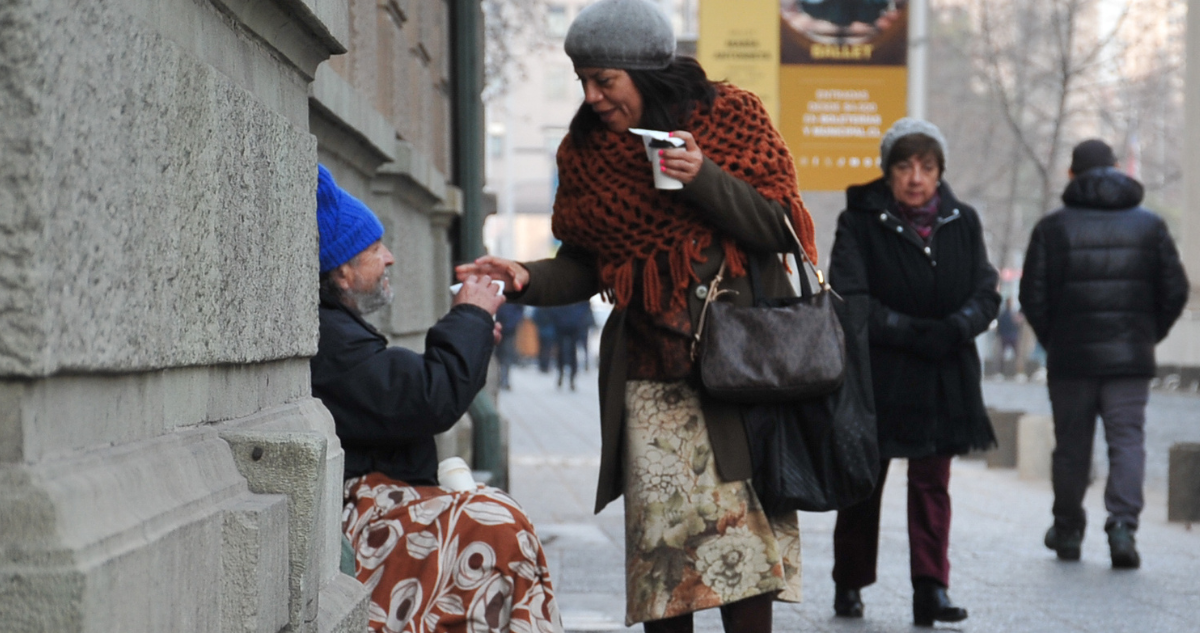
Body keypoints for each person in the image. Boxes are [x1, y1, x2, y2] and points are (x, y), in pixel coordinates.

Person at [455, 1, 817, 630]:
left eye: (605, 81)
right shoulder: (586, 155)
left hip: (739, 371)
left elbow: (779, 228)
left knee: (744, 559)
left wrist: (703, 176)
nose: (592, 96)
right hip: (651, 380)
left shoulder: (732, 118)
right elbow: (585, 265)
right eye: (583, 81)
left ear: (645, 73)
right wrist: (524, 276)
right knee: (664, 569)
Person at [309, 165, 562, 633]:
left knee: (501, 525)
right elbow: (427, 398)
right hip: (358, 515)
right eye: (374, 249)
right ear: (342, 272)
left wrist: (475, 330)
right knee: (498, 527)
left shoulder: (336, 328)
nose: (389, 258)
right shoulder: (332, 337)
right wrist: (469, 318)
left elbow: (416, 389)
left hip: (375, 498)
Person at [826, 118, 999, 626]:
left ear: (940, 171)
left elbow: (986, 291)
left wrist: (957, 327)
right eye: (904, 166)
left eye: (926, 166)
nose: (916, 177)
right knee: (864, 484)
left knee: (932, 485)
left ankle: (931, 588)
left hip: (945, 373)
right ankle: (850, 582)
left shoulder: (962, 220)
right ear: (889, 173)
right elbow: (850, 298)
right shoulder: (859, 219)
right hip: (879, 374)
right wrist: (908, 331)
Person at [1019, 139, 1188, 569]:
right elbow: (1175, 291)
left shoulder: (1052, 228)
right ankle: (1122, 527)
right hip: (1129, 360)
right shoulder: (1149, 226)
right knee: (1127, 441)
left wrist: (1054, 338)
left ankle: (1069, 529)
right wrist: (1146, 335)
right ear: (1116, 169)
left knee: (1072, 447)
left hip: (1071, 360)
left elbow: (1031, 297)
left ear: (1072, 176)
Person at [496, 302, 525, 389]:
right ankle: (499, 379)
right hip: (497, 328)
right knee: (497, 356)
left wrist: (513, 323)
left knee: (506, 356)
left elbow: (520, 311)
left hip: (509, 330)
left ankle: (505, 379)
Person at [995, 297, 1023, 376]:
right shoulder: (1004, 315)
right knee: (1002, 356)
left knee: (1017, 355)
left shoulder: (1013, 314)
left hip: (1012, 336)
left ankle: (1018, 372)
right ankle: (1000, 372)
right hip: (1006, 336)